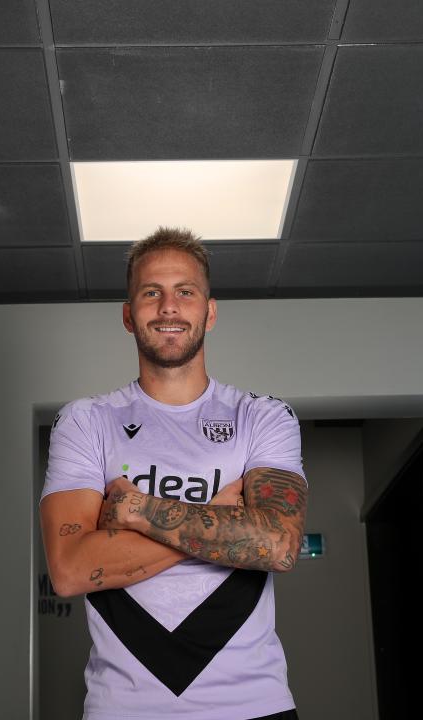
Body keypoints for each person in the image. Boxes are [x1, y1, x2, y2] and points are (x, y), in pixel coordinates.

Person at [40, 227, 308, 720]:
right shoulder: (86, 420)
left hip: (255, 704)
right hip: (123, 708)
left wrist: (138, 512)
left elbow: (278, 545)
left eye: (185, 291)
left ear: (209, 311)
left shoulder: (262, 416)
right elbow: (70, 571)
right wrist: (218, 516)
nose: (168, 306)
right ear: (128, 314)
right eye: (151, 293)